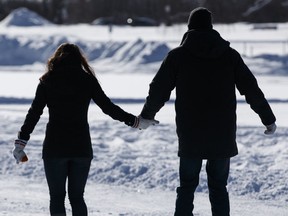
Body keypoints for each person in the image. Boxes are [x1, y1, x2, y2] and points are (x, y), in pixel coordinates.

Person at [139, 7, 276, 216]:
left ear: (189, 28)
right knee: (219, 187)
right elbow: (251, 89)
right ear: (211, 27)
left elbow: (159, 89)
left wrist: (147, 116)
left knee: (186, 185)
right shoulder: (229, 56)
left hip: (190, 133)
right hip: (222, 133)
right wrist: (267, 118)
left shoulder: (178, 56)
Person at [12, 43, 158, 216]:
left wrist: (21, 142)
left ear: (57, 59)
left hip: (55, 148)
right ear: (79, 59)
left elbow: (34, 113)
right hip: (81, 147)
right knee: (77, 197)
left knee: (57, 198)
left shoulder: (47, 80)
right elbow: (108, 107)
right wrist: (136, 122)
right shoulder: (87, 80)